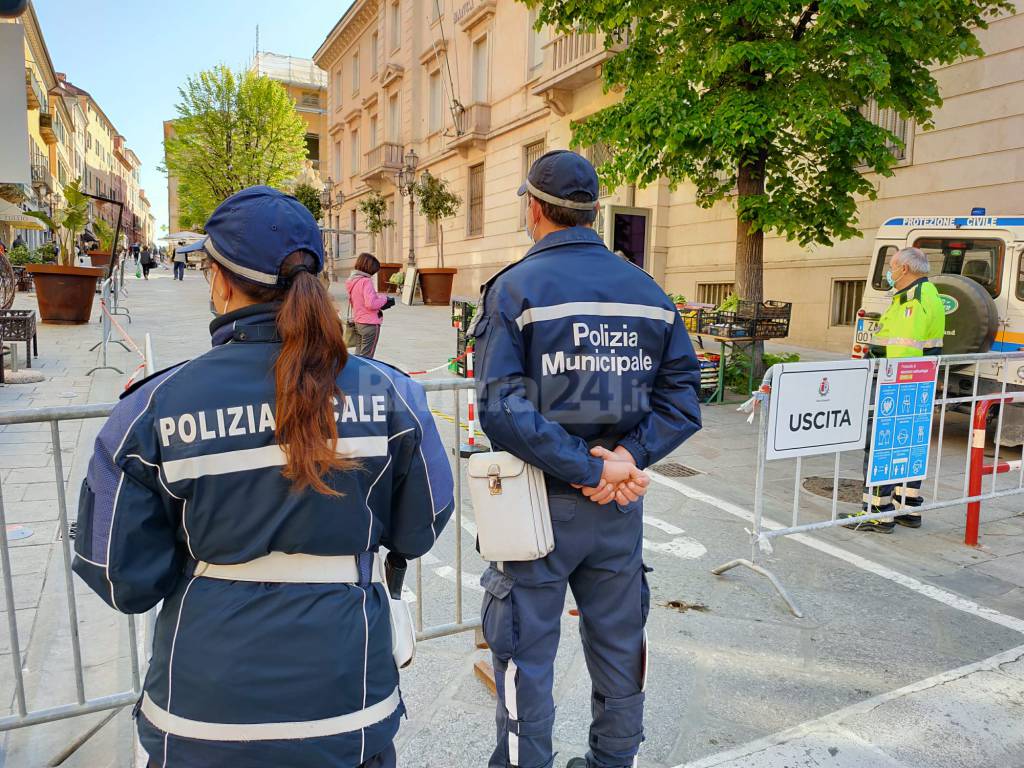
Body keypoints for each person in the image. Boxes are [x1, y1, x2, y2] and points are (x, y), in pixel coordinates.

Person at [71, 186, 454, 768]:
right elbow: (422, 526)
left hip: (201, 714)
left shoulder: (150, 409)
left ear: (220, 281)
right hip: (349, 707)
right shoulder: (394, 395)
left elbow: (119, 578)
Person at [471, 150, 703, 768]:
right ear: (591, 212)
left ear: (535, 208)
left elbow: (500, 408)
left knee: (525, 656)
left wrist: (590, 466)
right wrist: (623, 459)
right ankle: (613, 762)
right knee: (621, 646)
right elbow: (684, 397)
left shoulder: (514, 288)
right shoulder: (647, 290)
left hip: (536, 510)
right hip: (616, 511)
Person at [842, 246, 945, 533]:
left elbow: (903, 350)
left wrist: (881, 372)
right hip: (915, 383)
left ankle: (877, 511)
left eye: (892, 265)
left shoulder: (914, 300)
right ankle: (906, 508)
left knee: (881, 446)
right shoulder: (920, 296)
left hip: (897, 383)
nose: (889, 271)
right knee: (908, 444)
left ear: (905, 269)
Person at [345, 253, 395, 358]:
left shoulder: (353, 280)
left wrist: (377, 297)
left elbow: (361, 300)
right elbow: (371, 304)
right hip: (370, 324)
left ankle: (357, 374)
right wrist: (384, 299)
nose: (374, 273)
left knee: (359, 356)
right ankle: (365, 374)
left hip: (358, 323)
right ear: (369, 267)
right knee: (368, 358)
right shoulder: (366, 281)